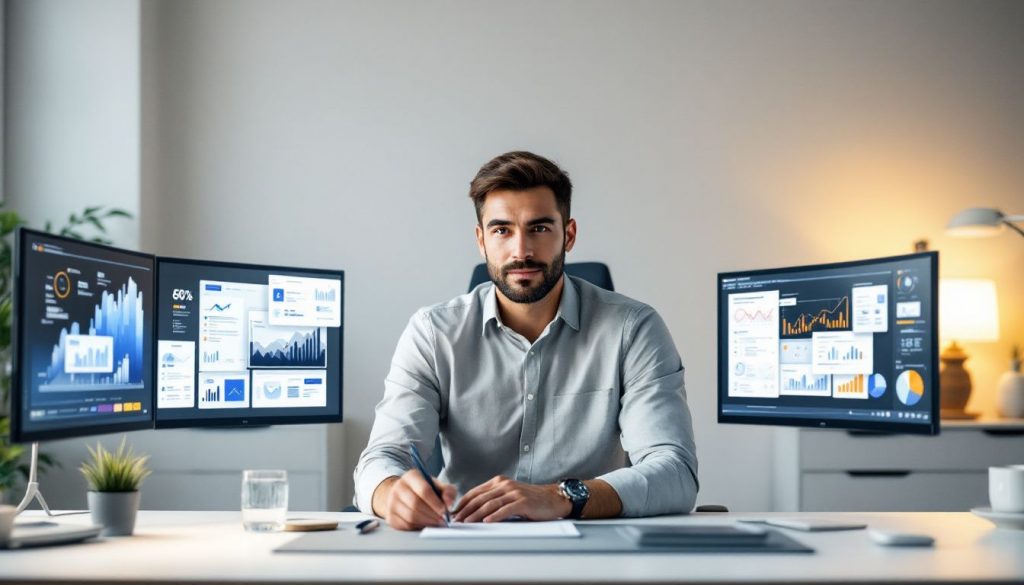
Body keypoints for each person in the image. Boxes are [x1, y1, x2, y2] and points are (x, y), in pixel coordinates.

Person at [353, 151, 698, 530]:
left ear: (569, 235)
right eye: (502, 230)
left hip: (595, 546)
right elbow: (381, 458)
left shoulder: (634, 329)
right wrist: (392, 493)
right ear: (481, 240)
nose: (521, 251)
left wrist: (560, 496)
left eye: (539, 228)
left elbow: (675, 471)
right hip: (465, 543)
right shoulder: (433, 333)